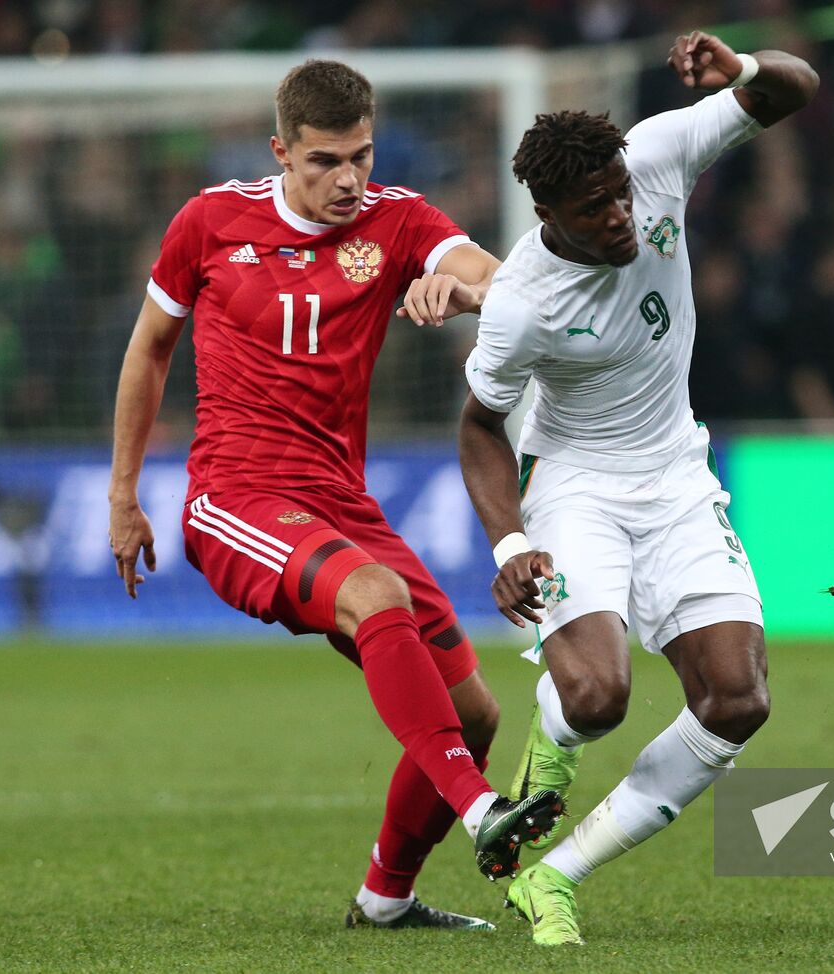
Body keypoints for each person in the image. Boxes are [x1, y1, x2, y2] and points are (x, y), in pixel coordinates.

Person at [106, 59, 562, 932]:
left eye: (361, 155)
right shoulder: (208, 222)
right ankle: (480, 812)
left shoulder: (396, 221)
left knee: (475, 710)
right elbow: (150, 350)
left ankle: (385, 900)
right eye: (324, 162)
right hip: (236, 496)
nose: (348, 179)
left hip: (340, 504)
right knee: (378, 597)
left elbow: (509, 284)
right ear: (281, 151)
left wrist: (463, 291)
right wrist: (125, 493)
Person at [458, 31, 818, 945]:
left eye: (619, 194)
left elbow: (797, 88)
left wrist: (740, 71)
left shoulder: (654, 156)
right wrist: (510, 545)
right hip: (576, 488)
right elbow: (478, 429)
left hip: (677, 478)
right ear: (544, 209)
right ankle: (552, 748)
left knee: (738, 701)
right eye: (592, 208)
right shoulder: (523, 303)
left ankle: (554, 877)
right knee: (597, 698)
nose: (620, 215)